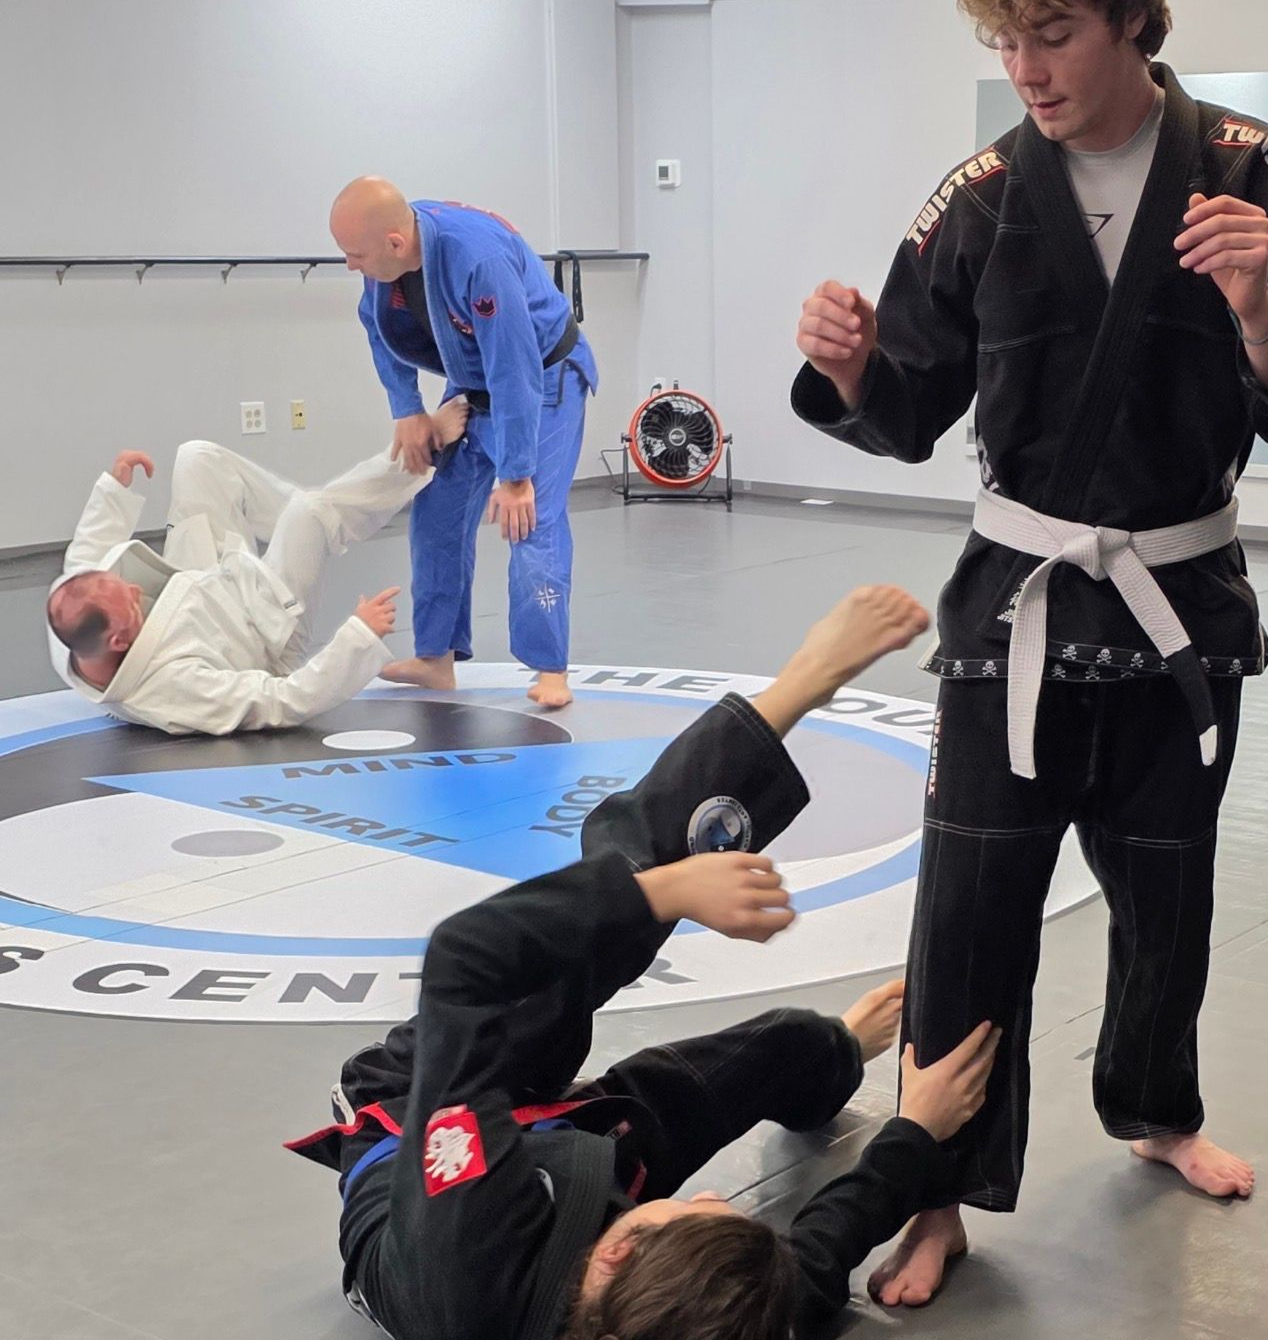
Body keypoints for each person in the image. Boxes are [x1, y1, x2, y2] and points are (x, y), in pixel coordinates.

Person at [792, 0, 1268, 1306]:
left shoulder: (1255, 172)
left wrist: (1261, 311)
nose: (1025, 69)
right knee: (969, 919)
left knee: (1167, 896)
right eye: (1003, 44)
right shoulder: (978, 197)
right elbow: (911, 407)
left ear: (1134, 20)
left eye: (1052, 31)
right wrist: (856, 371)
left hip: (1180, 605)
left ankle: (1155, 1110)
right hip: (1012, 610)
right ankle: (937, 1191)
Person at [287, 585, 1003, 1340]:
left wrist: (658, 895)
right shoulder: (681, 1320)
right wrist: (915, 1134)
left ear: (619, 1248)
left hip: (418, 1136)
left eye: (694, 1209)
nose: (705, 1197)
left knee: (554, 968)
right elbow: (815, 1258)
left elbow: (463, 966)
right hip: (565, 1191)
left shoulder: (467, 1243)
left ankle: (797, 686)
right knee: (795, 1043)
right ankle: (837, 1052)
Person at [330, 176, 597, 710]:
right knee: (438, 509)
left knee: (531, 518)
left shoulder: (477, 260)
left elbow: (515, 367)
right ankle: (435, 658)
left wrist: (517, 474)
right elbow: (377, 328)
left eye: (355, 255)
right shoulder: (387, 251)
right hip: (472, 382)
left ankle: (551, 668)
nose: (349, 266)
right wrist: (407, 409)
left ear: (395, 243)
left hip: (542, 382)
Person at [47, 407, 466, 734]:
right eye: (130, 603)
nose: (135, 590)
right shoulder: (171, 691)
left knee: (198, 458)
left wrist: (114, 490)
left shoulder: (71, 612)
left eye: (123, 585)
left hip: (197, 586)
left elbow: (86, 556)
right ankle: (424, 451)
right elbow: (282, 701)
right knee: (310, 511)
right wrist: (354, 638)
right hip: (264, 636)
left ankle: (321, 524)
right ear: (118, 639)